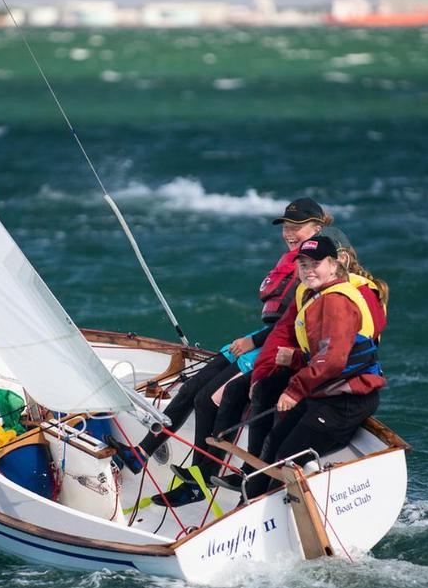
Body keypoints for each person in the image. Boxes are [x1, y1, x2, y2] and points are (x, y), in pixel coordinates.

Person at [108, 197, 332, 507]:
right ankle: (142, 453)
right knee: (190, 389)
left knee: (209, 398)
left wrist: (254, 343)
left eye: (298, 227)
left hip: (276, 345)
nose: (290, 232)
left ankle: (203, 475)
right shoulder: (293, 260)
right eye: (286, 227)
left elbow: (299, 322)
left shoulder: (316, 265)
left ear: (317, 228)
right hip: (264, 337)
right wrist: (252, 339)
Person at [211, 228, 388, 493]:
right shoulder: (319, 294)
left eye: (316, 264)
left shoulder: (337, 302)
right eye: (303, 265)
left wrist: (295, 391)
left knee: (285, 460)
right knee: (275, 444)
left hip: (345, 401)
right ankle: (248, 499)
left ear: (334, 264)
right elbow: (329, 354)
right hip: (324, 393)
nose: (308, 270)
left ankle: (260, 511)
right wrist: (295, 357)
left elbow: (333, 360)